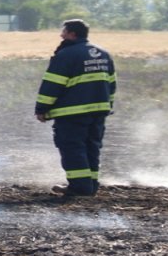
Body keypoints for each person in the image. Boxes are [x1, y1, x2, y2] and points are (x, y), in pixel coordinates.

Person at [34, 19, 116, 199]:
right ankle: (91, 185)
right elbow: (111, 84)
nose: (61, 35)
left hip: (72, 112)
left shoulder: (66, 55)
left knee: (72, 147)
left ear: (72, 34)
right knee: (91, 147)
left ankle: (80, 188)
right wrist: (107, 105)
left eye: (64, 32)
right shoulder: (103, 54)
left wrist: (41, 108)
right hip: (99, 111)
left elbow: (53, 84)